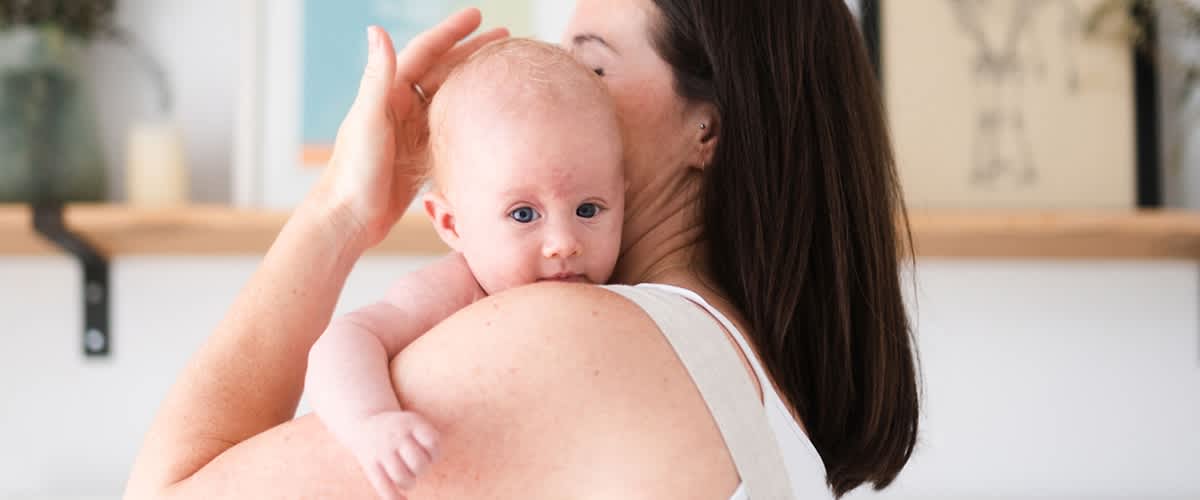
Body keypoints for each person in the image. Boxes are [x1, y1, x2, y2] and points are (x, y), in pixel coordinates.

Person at [124, 1, 919, 499]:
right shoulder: (753, 386)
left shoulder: (573, 337)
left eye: (591, 61)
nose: (555, 86)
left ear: (704, 128)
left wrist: (339, 209)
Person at [304, 38, 625, 498]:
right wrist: (371, 422)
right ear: (452, 224)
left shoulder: (626, 295)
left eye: (590, 210)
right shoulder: (454, 290)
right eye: (523, 214)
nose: (563, 243)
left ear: (623, 198)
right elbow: (344, 340)